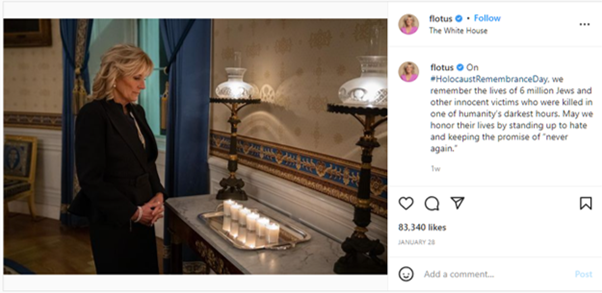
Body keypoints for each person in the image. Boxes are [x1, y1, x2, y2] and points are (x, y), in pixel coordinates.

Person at [69, 44, 165, 274]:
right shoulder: (93, 114)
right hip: (114, 217)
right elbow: (91, 180)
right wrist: (134, 212)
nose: (143, 85)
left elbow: (147, 161)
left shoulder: (136, 111)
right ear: (115, 75)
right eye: (136, 78)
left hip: (145, 212)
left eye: (144, 78)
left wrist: (158, 195)